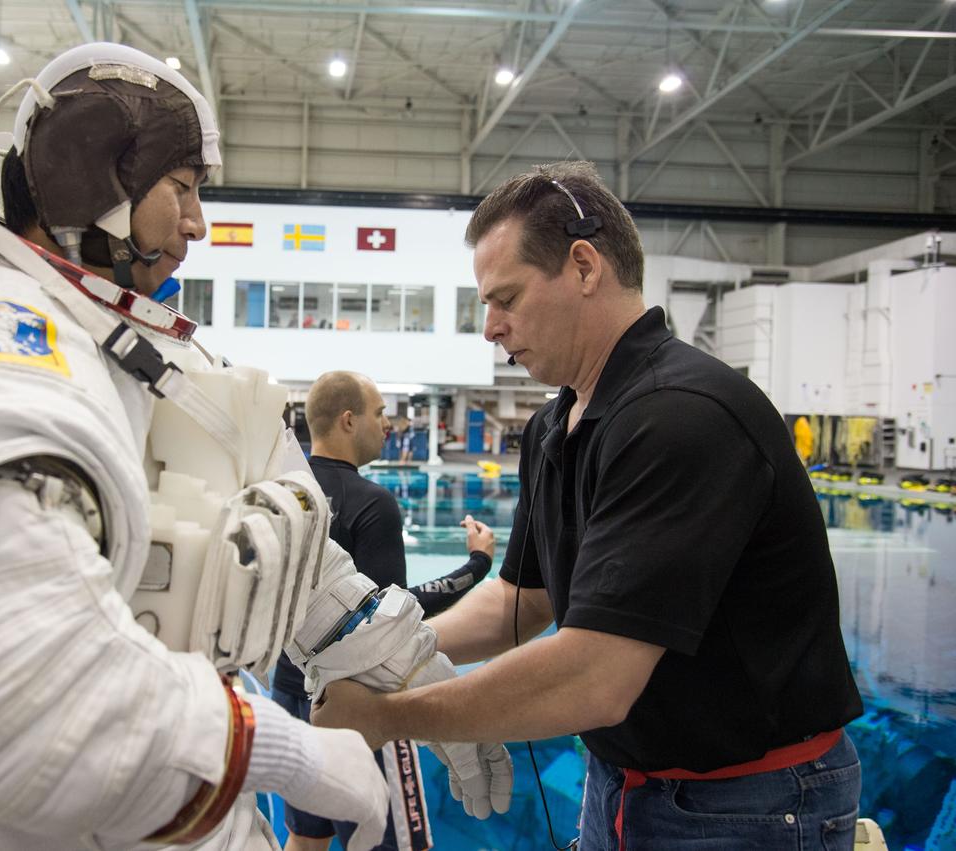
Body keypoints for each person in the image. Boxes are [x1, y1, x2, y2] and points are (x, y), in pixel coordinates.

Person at [0, 41, 511, 851]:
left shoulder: (138, 358)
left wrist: (422, 685)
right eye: (180, 188)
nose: (197, 223)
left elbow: (305, 567)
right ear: (92, 168)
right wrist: (288, 754)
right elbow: (10, 703)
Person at [314, 162, 864, 851]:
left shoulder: (681, 417)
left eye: (505, 298)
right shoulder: (556, 426)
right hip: (622, 783)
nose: (489, 327)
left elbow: (596, 675)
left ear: (582, 265)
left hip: (748, 800)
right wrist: (391, 646)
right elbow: (522, 598)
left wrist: (390, 713)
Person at [272, 371, 496, 850]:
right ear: (349, 421)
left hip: (292, 694)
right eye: (380, 413)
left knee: (306, 838)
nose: (388, 424)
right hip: (360, 702)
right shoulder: (373, 503)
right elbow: (393, 613)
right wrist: (477, 566)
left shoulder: (286, 494)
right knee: (393, 843)